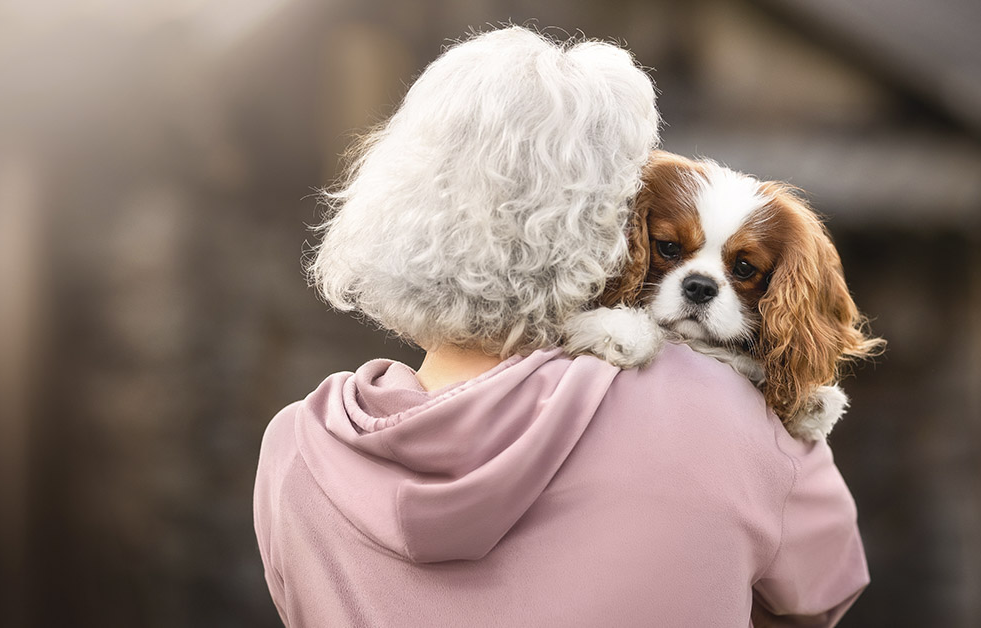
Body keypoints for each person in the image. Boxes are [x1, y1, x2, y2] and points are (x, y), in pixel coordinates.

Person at [253, 25, 868, 627]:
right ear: (605, 228)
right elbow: (818, 598)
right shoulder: (731, 411)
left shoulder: (296, 454)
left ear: (386, 208)